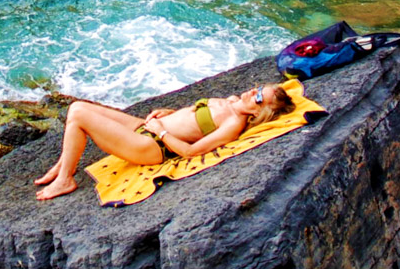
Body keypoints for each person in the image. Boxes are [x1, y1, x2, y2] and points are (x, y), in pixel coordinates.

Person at [33, 84, 295, 201]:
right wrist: (168, 113)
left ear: (259, 113)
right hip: (149, 129)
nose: (254, 92)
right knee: (77, 106)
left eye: (260, 97)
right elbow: (193, 119)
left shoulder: (233, 125)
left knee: (79, 115)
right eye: (260, 88)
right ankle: (63, 164)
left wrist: (161, 132)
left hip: (152, 147)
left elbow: (192, 151)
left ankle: (65, 178)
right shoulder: (232, 102)